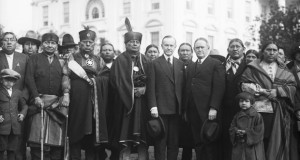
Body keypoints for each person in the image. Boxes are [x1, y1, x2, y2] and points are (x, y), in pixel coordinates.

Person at [240, 41, 297, 160]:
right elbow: (243, 84)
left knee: (275, 141)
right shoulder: (252, 67)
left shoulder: (284, 69)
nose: (271, 52)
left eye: (274, 50)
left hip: (278, 113)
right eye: (268, 50)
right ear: (263, 51)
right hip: (257, 111)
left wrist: (277, 92)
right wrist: (255, 90)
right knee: (258, 140)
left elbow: (292, 86)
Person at [109, 19, 151, 159]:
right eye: (131, 42)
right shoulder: (119, 60)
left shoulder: (145, 60)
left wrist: (144, 89)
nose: (134, 44)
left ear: (140, 44)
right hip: (125, 105)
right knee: (125, 137)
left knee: (142, 139)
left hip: (142, 104)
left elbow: (152, 80)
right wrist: (130, 91)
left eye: (137, 42)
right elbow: (115, 82)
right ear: (126, 44)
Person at [25, 33, 69, 160]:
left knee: (55, 141)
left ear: (57, 45)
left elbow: (65, 80)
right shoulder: (34, 58)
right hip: (39, 103)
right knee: (37, 140)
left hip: (56, 105)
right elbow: (29, 78)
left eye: (53, 43)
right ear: (42, 44)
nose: (50, 45)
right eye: (47, 42)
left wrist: (65, 96)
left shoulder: (61, 61)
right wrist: (36, 97)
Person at [68, 27, 107, 160]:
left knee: (92, 133)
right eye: (85, 42)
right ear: (80, 44)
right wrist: (67, 93)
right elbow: (65, 77)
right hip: (77, 101)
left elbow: (105, 77)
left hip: (93, 102)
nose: (88, 44)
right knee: (76, 131)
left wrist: (96, 80)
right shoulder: (72, 58)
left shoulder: (99, 60)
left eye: (91, 42)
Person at [183, 38, 225, 160]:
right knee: (198, 141)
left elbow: (219, 87)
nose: (200, 50)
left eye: (202, 47)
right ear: (194, 50)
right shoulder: (192, 65)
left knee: (209, 139)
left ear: (208, 48)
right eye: (197, 47)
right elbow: (187, 88)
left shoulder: (215, 64)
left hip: (208, 110)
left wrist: (214, 107)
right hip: (193, 110)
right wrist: (186, 109)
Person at [147, 35, 185, 160]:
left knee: (174, 142)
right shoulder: (154, 63)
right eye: (166, 45)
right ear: (162, 46)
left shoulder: (180, 64)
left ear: (175, 47)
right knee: (160, 142)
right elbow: (151, 87)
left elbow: (182, 87)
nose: (169, 48)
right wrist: (153, 106)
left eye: (171, 45)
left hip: (176, 109)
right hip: (161, 109)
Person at [0, 32, 30, 160]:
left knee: (17, 135)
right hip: (2, 101)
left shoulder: (24, 58)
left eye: (12, 39)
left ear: (16, 42)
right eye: (6, 40)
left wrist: (22, 98)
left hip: (19, 99)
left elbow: (28, 80)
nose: (9, 42)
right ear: (2, 42)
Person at [221, 38, 248, 160]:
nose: (235, 49)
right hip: (225, 109)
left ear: (243, 49)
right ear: (228, 50)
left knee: (242, 138)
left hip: (244, 108)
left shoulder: (250, 65)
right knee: (226, 139)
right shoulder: (221, 66)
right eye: (232, 46)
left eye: (238, 46)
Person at [0, 69, 28, 160]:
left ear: (15, 82)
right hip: (2, 127)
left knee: (12, 150)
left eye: (12, 80)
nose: (9, 82)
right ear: (1, 80)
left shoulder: (18, 93)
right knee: (1, 149)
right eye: (6, 79)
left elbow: (25, 106)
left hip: (15, 127)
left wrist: (22, 114)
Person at [229, 92, 265, 160]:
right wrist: (236, 131)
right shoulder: (237, 116)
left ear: (251, 103)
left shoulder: (257, 116)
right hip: (239, 145)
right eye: (241, 101)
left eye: (246, 101)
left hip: (252, 146)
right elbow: (232, 128)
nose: (243, 103)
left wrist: (246, 132)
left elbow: (259, 131)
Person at [97, 42, 117, 160]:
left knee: (114, 131)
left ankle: (114, 155)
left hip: (114, 103)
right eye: (104, 50)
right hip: (100, 103)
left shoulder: (118, 65)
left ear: (113, 52)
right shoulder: (97, 66)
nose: (107, 52)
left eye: (110, 50)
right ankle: (101, 155)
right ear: (100, 53)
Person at [177, 42, 194, 160]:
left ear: (192, 53)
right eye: (182, 50)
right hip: (176, 105)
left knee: (189, 138)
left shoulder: (196, 66)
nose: (185, 52)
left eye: (187, 50)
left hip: (191, 106)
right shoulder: (175, 65)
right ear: (178, 52)